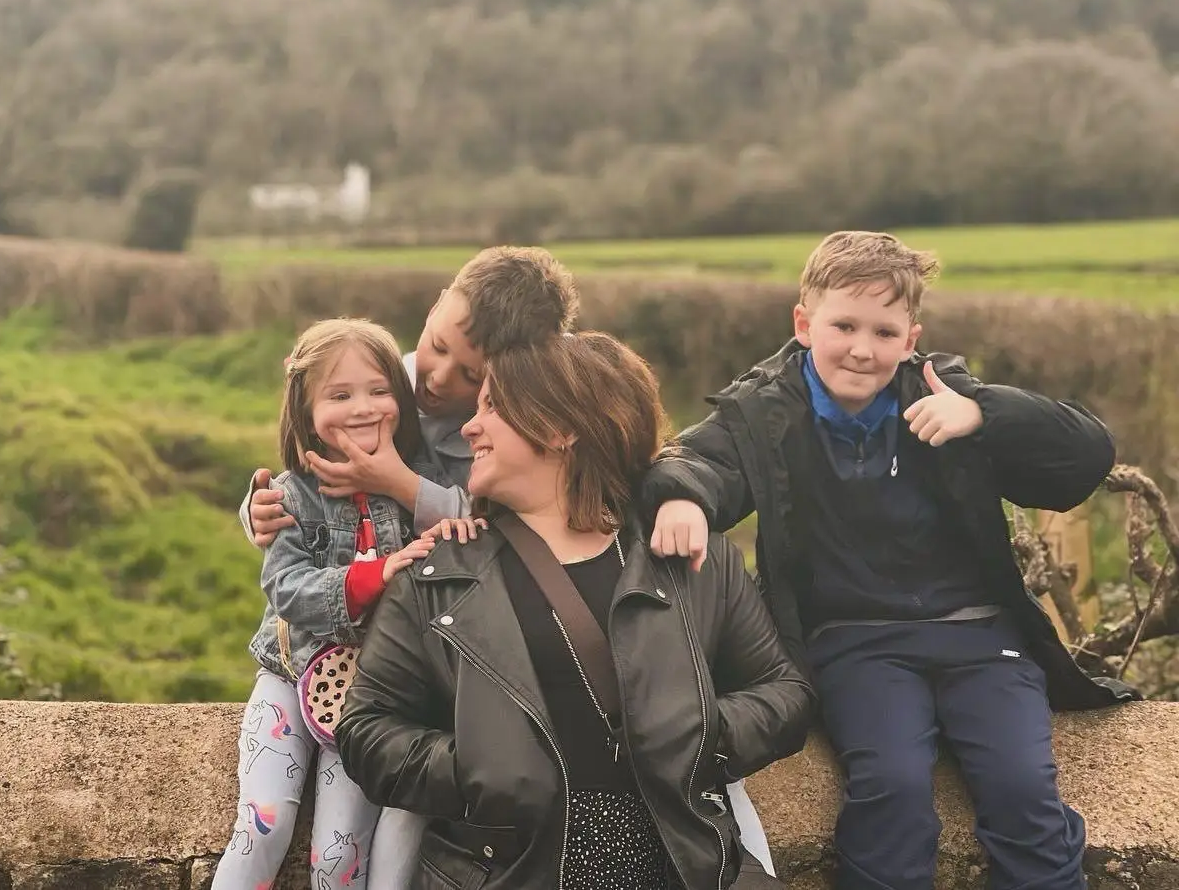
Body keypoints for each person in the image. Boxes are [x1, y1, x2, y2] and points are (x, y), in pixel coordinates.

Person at [641, 231, 1139, 890]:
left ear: (910, 339)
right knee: (893, 789)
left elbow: (1087, 455)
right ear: (803, 323)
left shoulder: (941, 395)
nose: (861, 348)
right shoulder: (765, 409)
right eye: (843, 325)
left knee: (1023, 789)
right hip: (857, 642)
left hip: (982, 635)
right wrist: (683, 500)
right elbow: (693, 463)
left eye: (883, 332)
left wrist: (982, 414)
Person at [335, 331, 815, 890]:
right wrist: (479, 768)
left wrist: (696, 733)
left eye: (492, 407)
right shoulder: (436, 577)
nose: (469, 426)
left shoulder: (690, 559)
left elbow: (784, 692)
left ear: (560, 428)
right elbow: (367, 731)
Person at [212, 318, 440, 890]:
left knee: (338, 857)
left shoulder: (420, 491)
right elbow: (284, 585)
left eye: (379, 389)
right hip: (287, 679)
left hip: (368, 699)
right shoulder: (292, 493)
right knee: (261, 827)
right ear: (305, 410)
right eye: (339, 395)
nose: (363, 408)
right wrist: (372, 577)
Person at [242, 245, 580, 542]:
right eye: (438, 345)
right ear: (436, 307)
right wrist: (260, 512)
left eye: (471, 375)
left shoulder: (510, 437)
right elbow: (305, 475)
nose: (439, 378)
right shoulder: (376, 392)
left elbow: (500, 527)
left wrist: (399, 483)